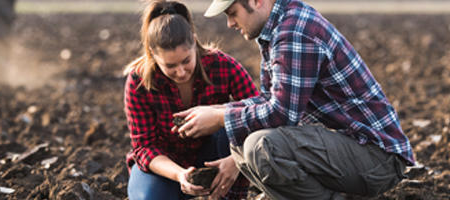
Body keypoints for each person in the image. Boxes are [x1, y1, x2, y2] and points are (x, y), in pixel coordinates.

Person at [172, 0, 415, 199]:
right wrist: (218, 111)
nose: (230, 23)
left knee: (260, 147)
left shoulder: (294, 31)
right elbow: (269, 99)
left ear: (258, 2)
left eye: (233, 13)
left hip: (377, 157)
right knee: (245, 139)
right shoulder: (277, 28)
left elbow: (282, 114)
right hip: (350, 149)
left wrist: (220, 116)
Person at [123, 1, 260, 199]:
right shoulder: (139, 82)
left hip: (217, 158)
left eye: (186, 61)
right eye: (170, 66)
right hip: (166, 165)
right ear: (153, 55)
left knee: (231, 121)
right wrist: (180, 175)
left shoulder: (223, 66)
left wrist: (236, 161)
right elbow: (144, 146)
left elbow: (259, 113)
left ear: (194, 42)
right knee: (149, 196)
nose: (180, 72)